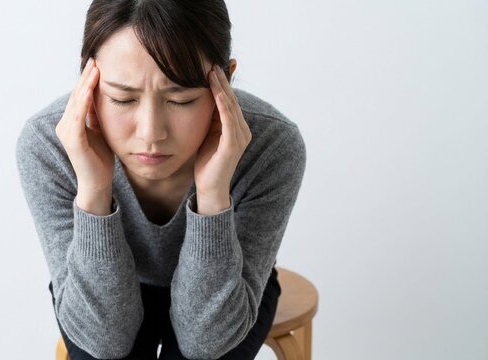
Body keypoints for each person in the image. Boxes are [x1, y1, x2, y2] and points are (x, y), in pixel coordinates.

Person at [16, 1, 306, 359]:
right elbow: (104, 341)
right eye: (122, 98)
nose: (151, 133)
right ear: (87, 78)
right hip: (108, 286)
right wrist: (93, 193)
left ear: (225, 82)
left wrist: (213, 195)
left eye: (181, 100)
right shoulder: (50, 145)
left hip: (229, 284)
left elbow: (206, 342)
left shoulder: (270, 146)